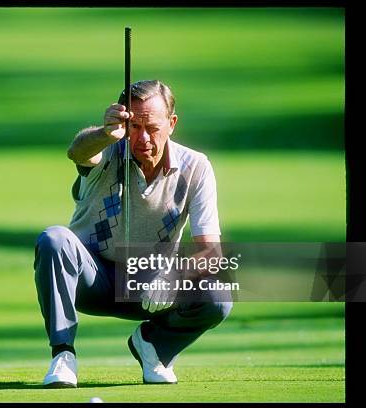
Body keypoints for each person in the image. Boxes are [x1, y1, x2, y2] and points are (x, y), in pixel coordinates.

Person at [33, 79, 233, 388]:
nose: (141, 138)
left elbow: (211, 253)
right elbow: (77, 152)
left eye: (151, 127)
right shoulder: (107, 150)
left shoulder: (196, 167)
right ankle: (63, 356)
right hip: (90, 280)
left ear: (172, 123)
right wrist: (104, 133)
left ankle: (154, 345)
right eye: (134, 126)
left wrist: (175, 277)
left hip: (150, 287)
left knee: (218, 296)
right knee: (54, 239)